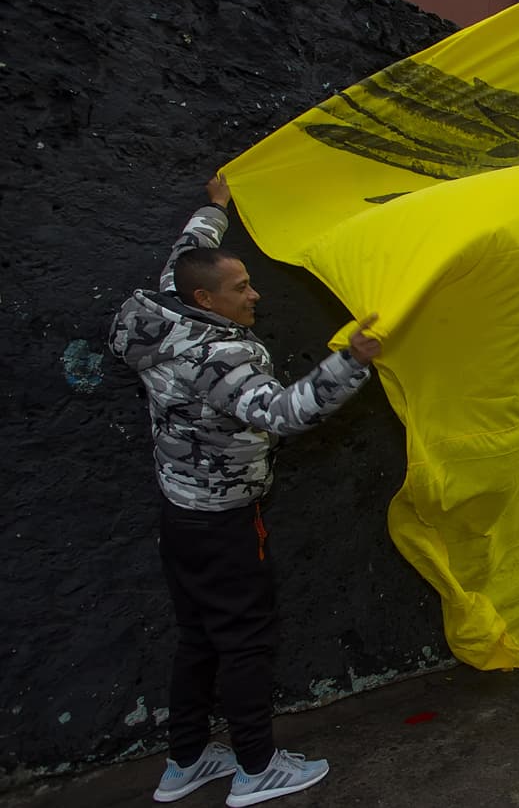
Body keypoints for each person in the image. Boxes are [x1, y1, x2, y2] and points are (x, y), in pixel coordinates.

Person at [109, 174, 382, 806]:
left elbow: (187, 250)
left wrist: (215, 207)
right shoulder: (218, 359)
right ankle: (256, 769)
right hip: (227, 523)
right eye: (240, 289)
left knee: (199, 637)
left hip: (180, 512)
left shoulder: (165, 310)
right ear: (208, 299)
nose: (253, 294)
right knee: (246, 639)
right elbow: (284, 413)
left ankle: (185, 761)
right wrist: (354, 360)